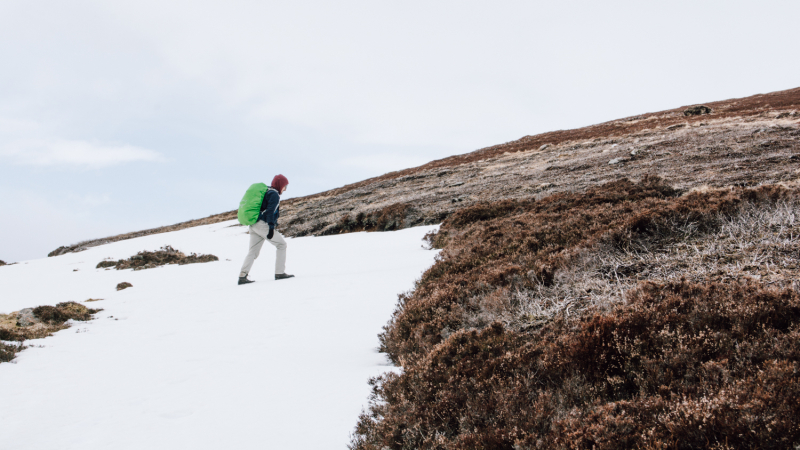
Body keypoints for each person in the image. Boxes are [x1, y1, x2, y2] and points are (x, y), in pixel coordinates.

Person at [238, 175, 295, 285]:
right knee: (281, 245)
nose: (285, 189)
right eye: (285, 186)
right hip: (262, 225)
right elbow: (269, 212)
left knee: (253, 251)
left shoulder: (267, 192)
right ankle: (280, 273)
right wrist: (271, 227)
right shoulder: (274, 195)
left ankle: (242, 276)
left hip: (254, 224)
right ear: (280, 184)